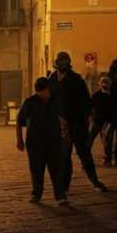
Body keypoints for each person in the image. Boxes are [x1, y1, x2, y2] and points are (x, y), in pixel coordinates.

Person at [47, 52, 106, 193]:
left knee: (84, 153)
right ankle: (64, 186)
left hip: (77, 124)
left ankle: (95, 181)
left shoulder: (76, 79)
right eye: (61, 61)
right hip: (61, 125)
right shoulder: (52, 79)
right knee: (64, 156)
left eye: (65, 61)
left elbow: (86, 100)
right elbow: (49, 100)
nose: (63, 64)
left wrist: (87, 116)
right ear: (57, 63)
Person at [17, 77, 67, 204]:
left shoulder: (54, 101)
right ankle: (37, 194)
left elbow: (61, 118)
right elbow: (19, 121)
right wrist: (19, 140)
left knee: (56, 169)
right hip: (35, 142)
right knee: (36, 169)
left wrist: (65, 133)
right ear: (44, 89)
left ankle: (60, 196)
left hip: (53, 140)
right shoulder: (29, 102)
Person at [90, 76, 113, 165]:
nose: (105, 84)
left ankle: (108, 159)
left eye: (106, 82)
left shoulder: (112, 96)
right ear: (99, 84)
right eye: (103, 82)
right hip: (97, 121)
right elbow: (90, 107)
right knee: (90, 140)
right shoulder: (96, 95)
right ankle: (86, 159)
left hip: (108, 122)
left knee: (107, 141)